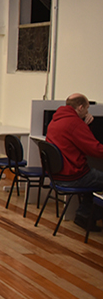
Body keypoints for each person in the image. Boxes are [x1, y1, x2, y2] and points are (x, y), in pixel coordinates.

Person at [46, 93, 103, 230]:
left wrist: (83, 125)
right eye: (87, 109)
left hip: (56, 175)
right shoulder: (75, 124)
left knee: (94, 178)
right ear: (80, 107)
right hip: (73, 176)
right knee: (94, 177)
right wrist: (82, 126)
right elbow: (95, 150)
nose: (87, 112)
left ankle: (83, 215)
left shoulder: (56, 120)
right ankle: (89, 215)